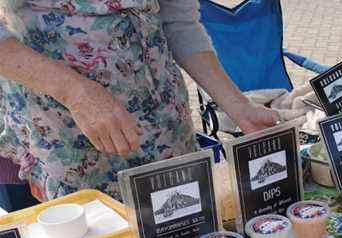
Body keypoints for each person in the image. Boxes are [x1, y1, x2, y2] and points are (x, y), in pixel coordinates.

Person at [0, 1, 280, 202]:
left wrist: (238, 107)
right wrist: (75, 92)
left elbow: (179, 23)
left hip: (164, 119)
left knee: (181, 214)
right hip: (68, 124)